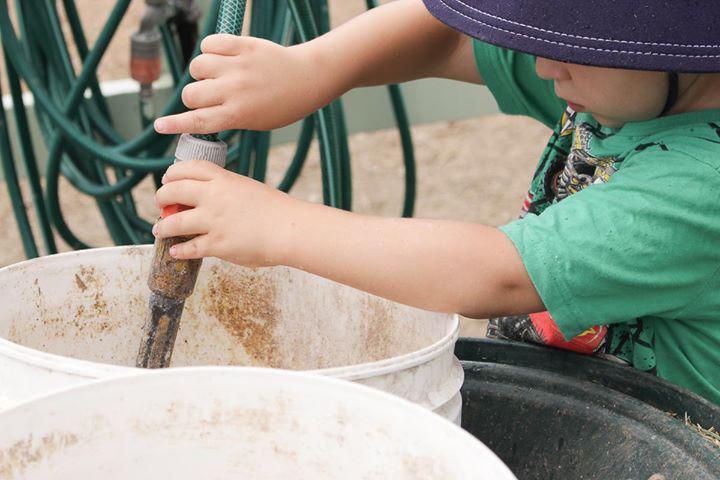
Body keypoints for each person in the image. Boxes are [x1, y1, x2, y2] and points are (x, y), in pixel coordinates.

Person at [151, 0, 720, 404]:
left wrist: (279, 227)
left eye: (571, 43)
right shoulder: (625, 81)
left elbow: (494, 273)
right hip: (587, 395)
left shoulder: (700, 183)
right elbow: (447, 37)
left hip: (670, 438)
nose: (545, 65)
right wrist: (312, 68)